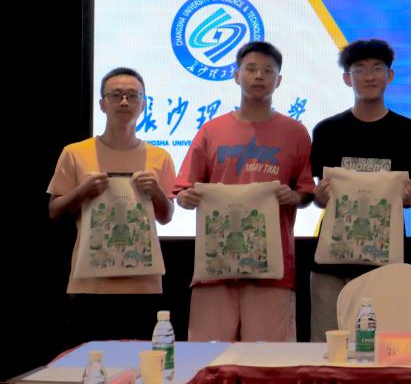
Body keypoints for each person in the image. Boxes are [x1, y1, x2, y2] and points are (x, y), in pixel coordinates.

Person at [174, 41, 315, 342]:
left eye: (267, 71)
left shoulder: (296, 133)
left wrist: (295, 197)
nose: (259, 76)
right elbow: (183, 190)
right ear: (236, 75)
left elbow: (306, 191)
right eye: (251, 69)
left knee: (269, 359)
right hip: (214, 268)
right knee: (208, 356)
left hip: (273, 270)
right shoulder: (211, 130)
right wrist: (186, 198)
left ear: (278, 80)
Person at [308, 38, 411, 341]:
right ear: (347, 78)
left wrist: (410, 198)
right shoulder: (327, 131)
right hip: (331, 261)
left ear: (390, 75)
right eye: (359, 69)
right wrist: (318, 197)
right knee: (327, 344)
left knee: (382, 345)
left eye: (377, 68)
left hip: (386, 261)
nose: (369, 76)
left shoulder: (408, 131)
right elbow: (319, 194)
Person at [48, 67, 175, 344]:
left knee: (142, 362)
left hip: (144, 284)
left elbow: (166, 216)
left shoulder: (160, 156)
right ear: (102, 104)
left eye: (132, 95)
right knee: (89, 361)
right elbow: (54, 210)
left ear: (143, 104)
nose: (124, 101)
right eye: (116, 95)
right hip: (89, 283)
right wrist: (81, 191)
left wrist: (156, 192)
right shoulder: (75, 153)